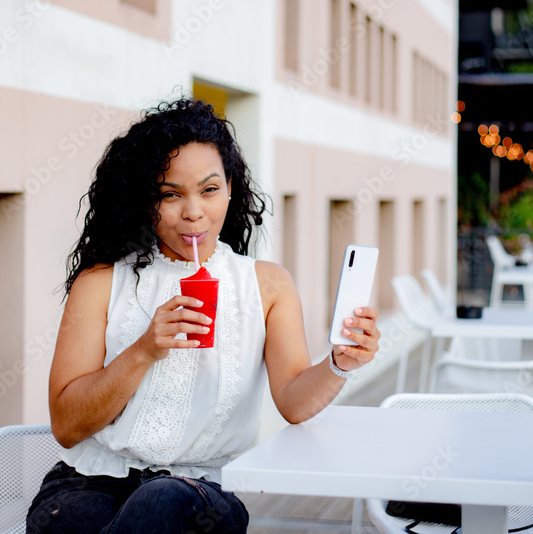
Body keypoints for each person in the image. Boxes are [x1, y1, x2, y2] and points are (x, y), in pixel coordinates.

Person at [26, 99, 381, 533]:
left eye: (209, 190)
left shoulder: (267, 286)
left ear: (230, 188)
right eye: (170, 194)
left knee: (164, 500)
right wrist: (143, 349)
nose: (193, 211)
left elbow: (292, 400)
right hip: (89, 482)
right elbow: (66, 426)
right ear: (146, 200)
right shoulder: (101, 283)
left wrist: (338, 364)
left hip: (199, 489)